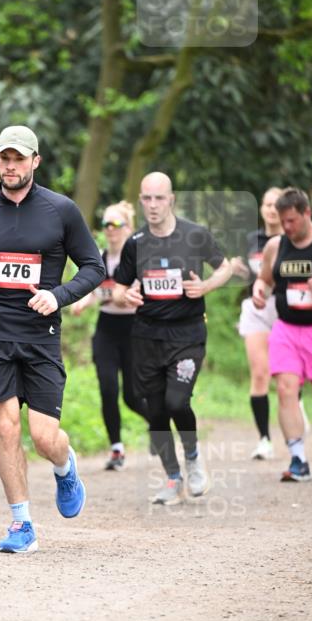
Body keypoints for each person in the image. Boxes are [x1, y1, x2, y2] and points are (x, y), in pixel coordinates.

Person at [0, 125, 105, 553]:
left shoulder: (61, 210)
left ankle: (65, 468)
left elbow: (93, 267)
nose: (10, 166)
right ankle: (21, 525)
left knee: (45, 436)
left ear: (35, 162)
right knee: (7, 427)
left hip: (40, 335)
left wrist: (58, 295)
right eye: (4, 158)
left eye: (18, 159)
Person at [112, 172, 233, 505]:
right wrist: (127, 298)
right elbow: (120, 288)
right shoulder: (134, 243)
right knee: (155, 411)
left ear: (171, 200)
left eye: (159, 198)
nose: (153, 205)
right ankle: (172, 477)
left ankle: (193, 457)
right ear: (140, 200)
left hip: (187, 334)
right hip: (146, 337)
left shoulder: (195, 235)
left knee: (177, 402)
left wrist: (206, 286)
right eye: (147, 199)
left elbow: (226, 267)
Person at [252, 187, 312, 482]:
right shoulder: (276, 246)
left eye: (292, 221)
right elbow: (264, 279)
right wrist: (260, 290)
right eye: (283, 221)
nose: (286, 227)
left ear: (307, 213)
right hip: (286, 329)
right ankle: (298, 459)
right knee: (286, 389)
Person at [72, 200, 149, 470]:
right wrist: (82, 302)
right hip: (106, 330)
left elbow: (142, 295)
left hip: (132, 331)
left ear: (128, 228)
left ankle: (157, 422)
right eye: (106, 224)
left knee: (131, 395)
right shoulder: (100, 258)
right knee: (107, 388)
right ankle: (116, 448)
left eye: (116, 224)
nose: (110, 229)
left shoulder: (138, 257)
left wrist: (127, 297)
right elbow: (95, 292)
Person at [230, 187, 283, 459]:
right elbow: (240, 266)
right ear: (261, 208)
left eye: (277, 204)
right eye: (268, 204)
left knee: (287, 377)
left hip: (288, 310)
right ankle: (264, 439)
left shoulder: (293, 240)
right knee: (260, 373)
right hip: (257, 308)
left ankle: (295, 403)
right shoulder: (252, 239)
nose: (272, 209)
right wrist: (235, 268)